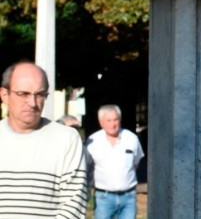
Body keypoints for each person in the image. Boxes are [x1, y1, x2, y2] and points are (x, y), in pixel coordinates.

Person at [0, 61, 88, 218]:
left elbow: (74, 203)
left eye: (40, 94)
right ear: (4, 95)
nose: (33, 103)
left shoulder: (66, 139)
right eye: (23, 94)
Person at [86, 104, 145, 219]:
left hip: (129, 197)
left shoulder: (131, 138)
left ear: (120, 120)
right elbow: (88, 166)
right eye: (108, 120)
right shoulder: (93, 141)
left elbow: (136, 163)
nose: (113, 124)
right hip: (104, 198)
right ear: (101, 122)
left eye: (115, 120)